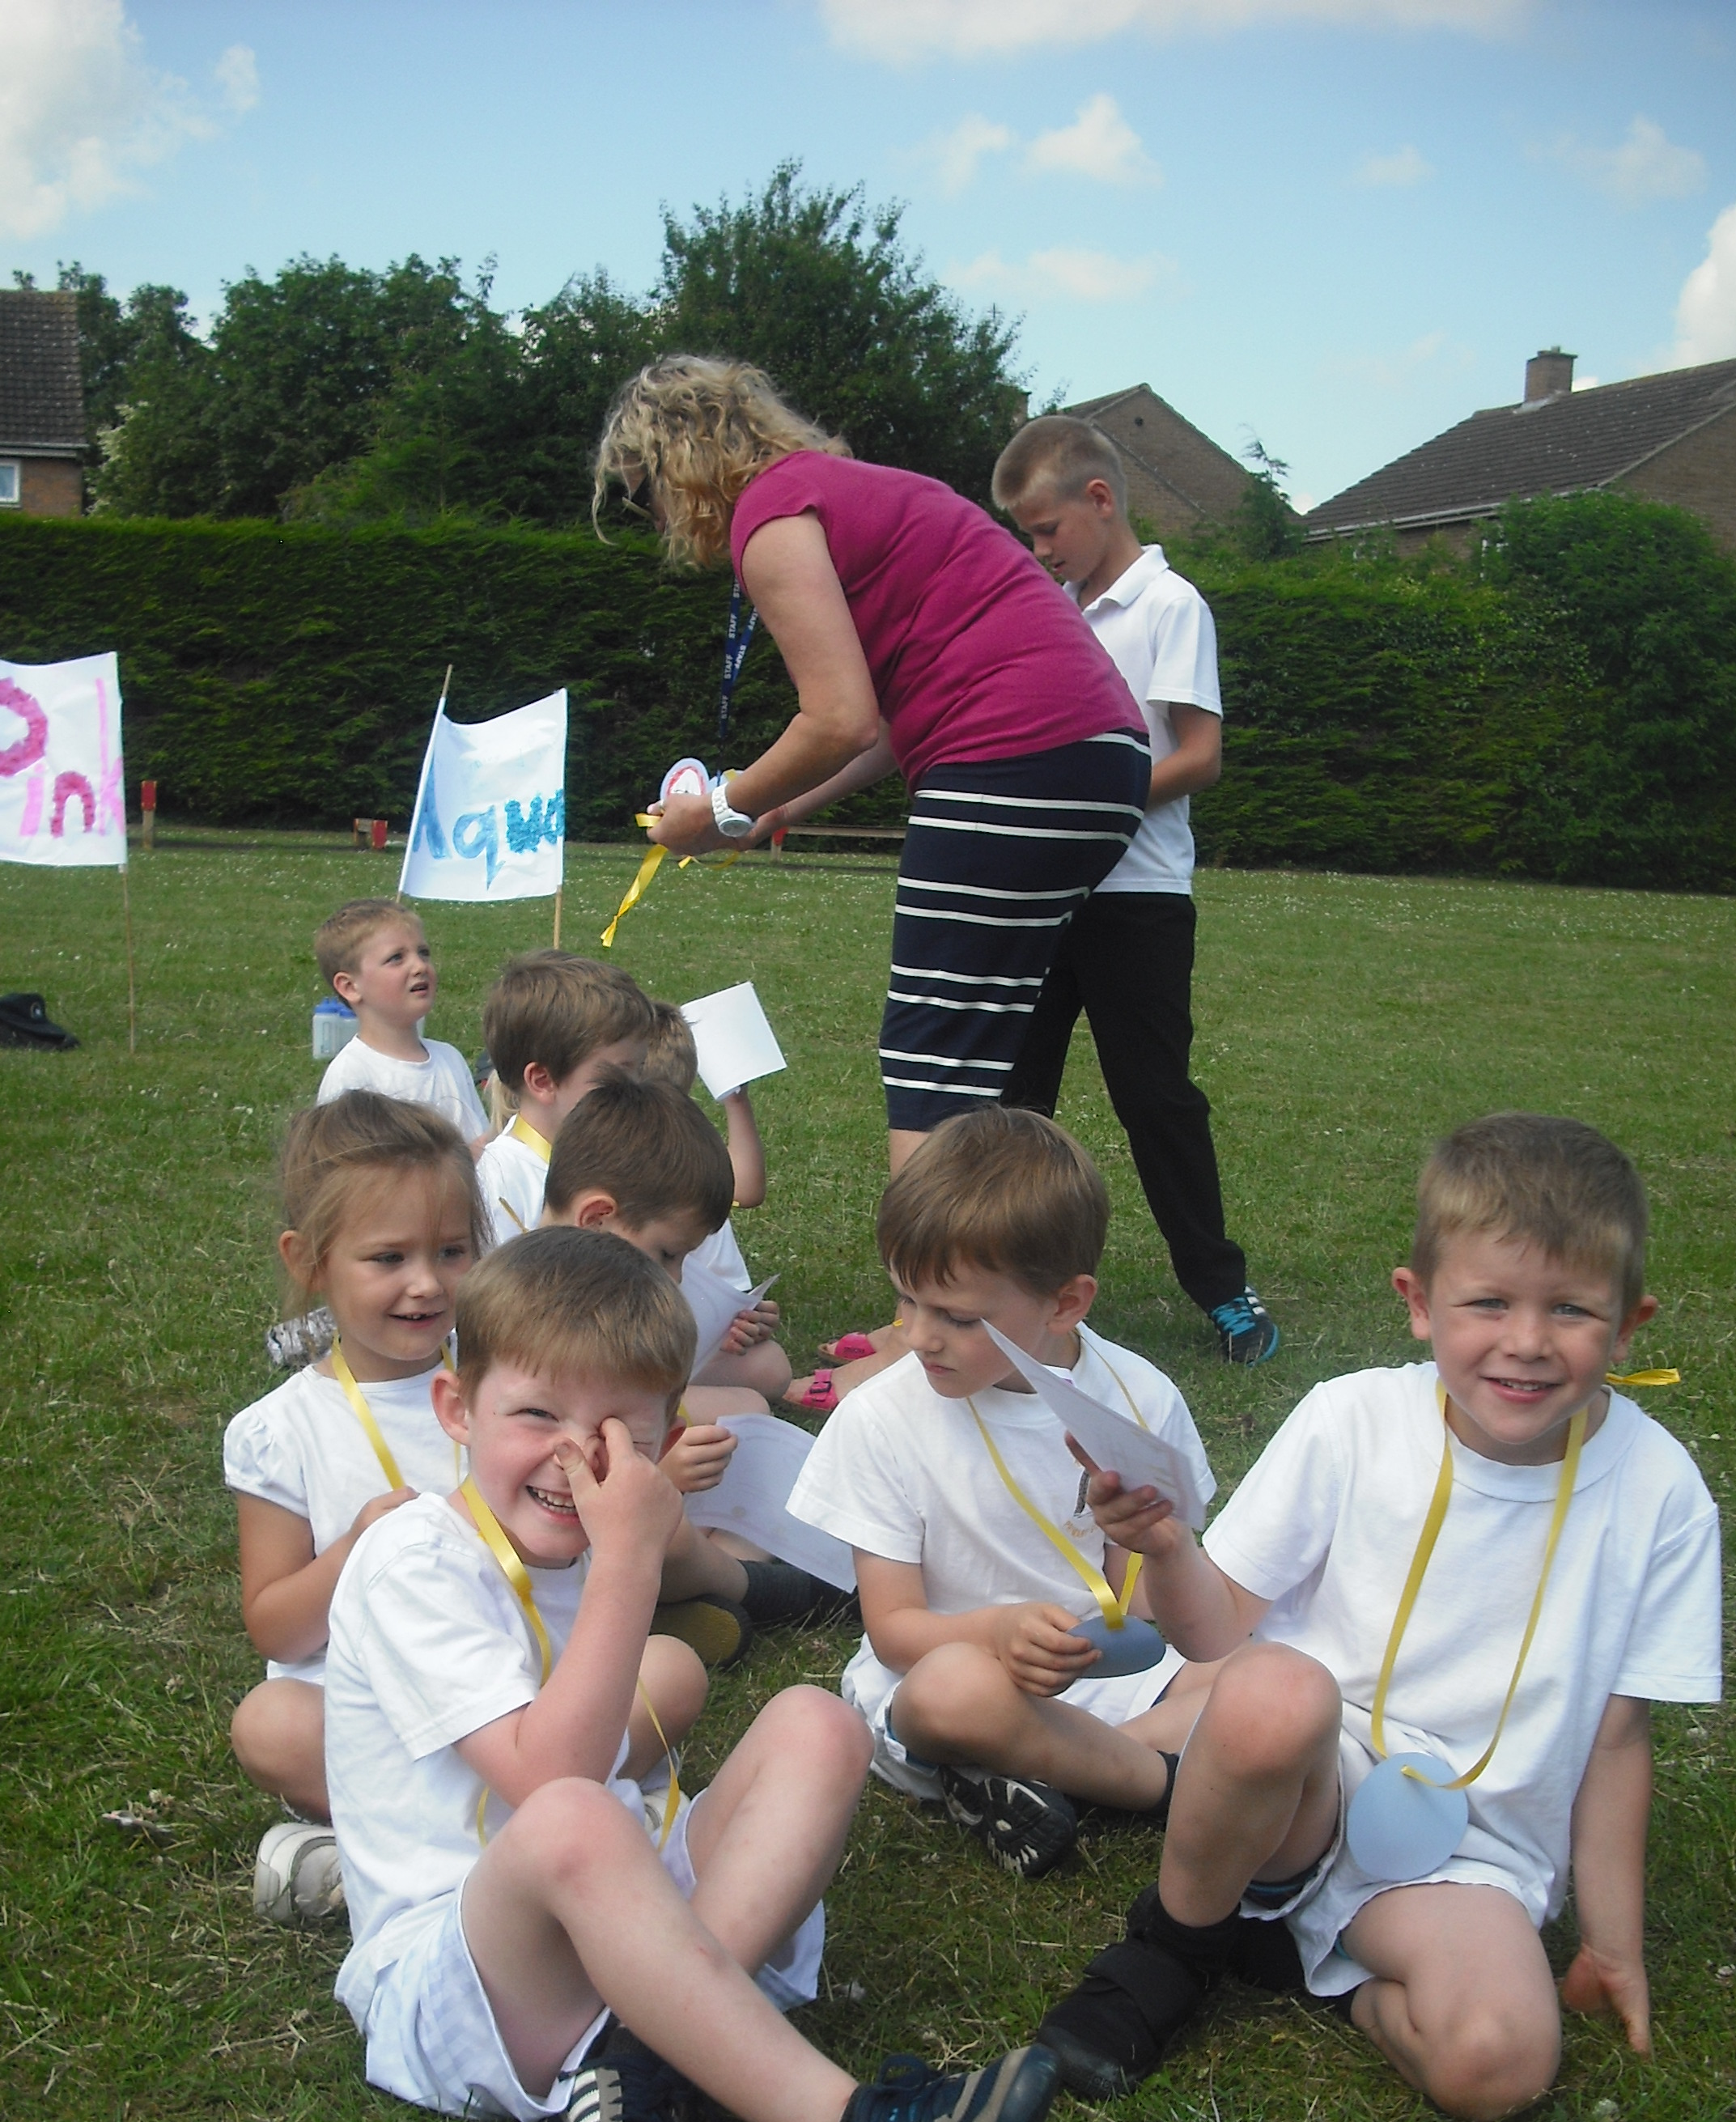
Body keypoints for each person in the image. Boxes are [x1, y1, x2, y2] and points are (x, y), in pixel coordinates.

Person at [321, 1224, 1061, 2122]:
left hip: (629, 1917)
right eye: (534, 1414)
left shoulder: (594, 1539)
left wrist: (627, 1557)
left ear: (665, 1438)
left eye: (616, 1431)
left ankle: (639, 2074)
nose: (575, 1457)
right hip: (467, 1975)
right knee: (576, 1814)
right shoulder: (414, 1559)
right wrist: (632, 1561)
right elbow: (549, 1777)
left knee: (819, 1722)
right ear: (457, 1408)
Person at [1034, 1114, 1721, 2121]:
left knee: (1499, 2065)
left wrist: (1614, 1947)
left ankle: (1305, 1960)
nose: (1527, 1342)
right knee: (1274, 1691)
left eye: (1571, 1309)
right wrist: (1168, 1549)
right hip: (1309, 1795)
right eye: (1489, 1302)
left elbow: (1618, 1741)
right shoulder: (1352, 1420)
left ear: (1627, 1326)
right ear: (1419, 1303)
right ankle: (1175, 1947)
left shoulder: (1662, 1494)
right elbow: (1217, 1635)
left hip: (1468, 1857)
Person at [591, 356, 1150, 1172]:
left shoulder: (773, 517)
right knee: (980, 1059)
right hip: (1098, 759)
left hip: (1009, 758)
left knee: (929, 1061)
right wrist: (779, 807)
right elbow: (892, 720)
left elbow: (839, 720)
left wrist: (715, 814)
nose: (657, 516)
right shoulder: (856, 491)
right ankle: (1009, 1251)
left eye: (643, 495)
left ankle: (933, 1261)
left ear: (679, 461)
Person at [790, 1109, 1215, 1879]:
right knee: (955, 1694)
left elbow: (1144, 1610)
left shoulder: (1138, 1398)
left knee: (1263, 1678)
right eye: (906, 1300)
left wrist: (1150, 1552)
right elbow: (894, 1631)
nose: (918, 1337)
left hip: (1096, 1676)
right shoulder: (882, 1417)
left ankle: (1045, 1773)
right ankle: (1150, 1782)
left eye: (958, 1318)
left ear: (1065, 1304)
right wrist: (997, 1632)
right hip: (946, 1673)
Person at [991, 415, 1275, 1369]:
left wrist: (1095, 802)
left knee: (1155, 1099)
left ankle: (1223, 1289)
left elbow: (1200, 755)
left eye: (1047, 529)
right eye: (1028, 536)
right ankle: (1000, 1281)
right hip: (1044, 894)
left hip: (1138, 900)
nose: (1039, 550)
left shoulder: (1168, 605)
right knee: (1014, 1100)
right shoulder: (1050, 608)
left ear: (1101, 499)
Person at [223, 1093, 495, 1921]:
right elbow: (276, 1629)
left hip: (502, 1680)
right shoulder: (284, 1431)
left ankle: (391, 1859)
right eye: (388, 1258)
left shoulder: (508, 1385)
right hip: (371, 1711)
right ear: (309, 1261)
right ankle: (496, 1847)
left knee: (668, 1673)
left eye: (452, 1251)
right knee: (269, 1725)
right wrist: (355, 1552)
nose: (427, 1283)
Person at [541, 1072, 843, 1650]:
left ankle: (708, 1582)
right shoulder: (540, 1325)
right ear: (597, 1219)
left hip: (618, 1513)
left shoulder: (594, 1294)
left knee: (743, 1453)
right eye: (667, 1254)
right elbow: (552, 1483)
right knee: (677, 1538)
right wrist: (661, 1481)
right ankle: (737, 1587)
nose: (675, 1277)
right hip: (574, 1539)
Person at [641, 999, 790, 1406]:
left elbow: (745, 1190)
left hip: (677, 1343)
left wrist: (743, 1321)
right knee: (752, 1402)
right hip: (612, 1344)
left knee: (771, 1368)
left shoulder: (689, 1171)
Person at [475, 952, 654, 1244]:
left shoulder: (620, 1155)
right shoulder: (503, 1182)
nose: (637, 1088)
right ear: (543, 1081)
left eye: (640, 1068)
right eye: (620, 1074)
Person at [313, 901, 487, 1150]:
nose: (419, 966)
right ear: (350, 987)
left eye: (423, 953)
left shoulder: (449, 1058)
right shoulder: (351, 1076)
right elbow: (349, 1169)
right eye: (396, 958)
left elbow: (480, 1150)